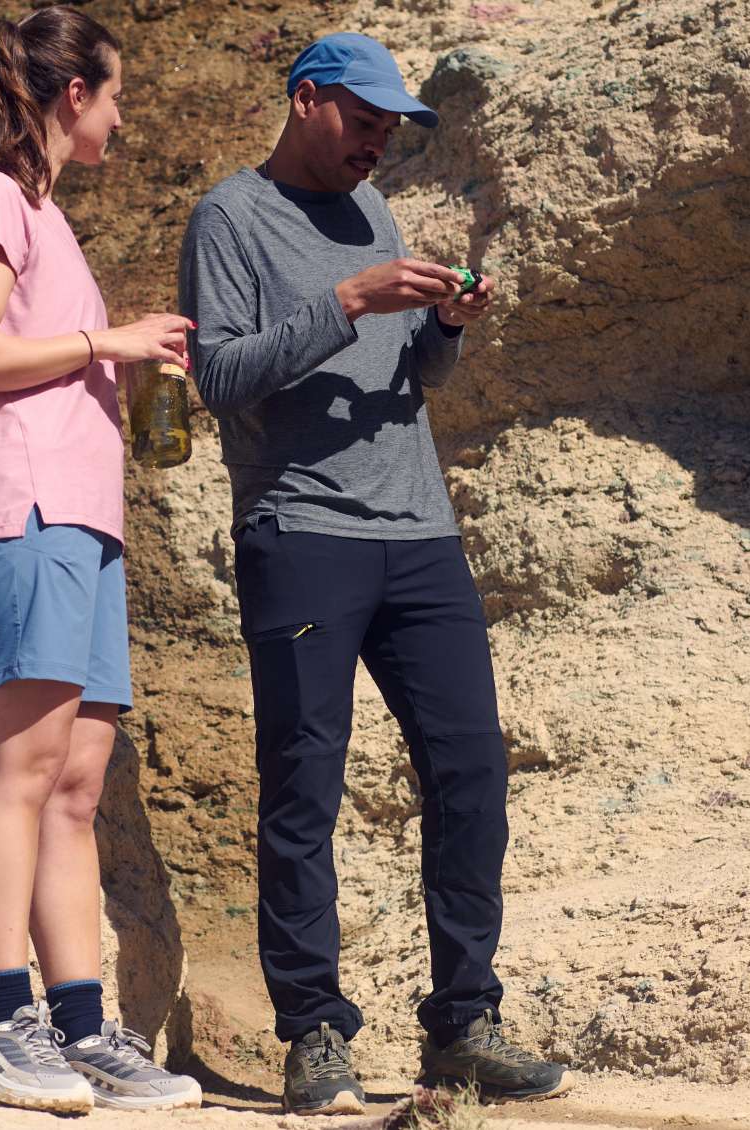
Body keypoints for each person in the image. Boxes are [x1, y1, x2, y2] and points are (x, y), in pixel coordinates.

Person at [177, 32, 570, 1114]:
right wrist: (347, 300)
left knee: (471, 770)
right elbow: (220, 376)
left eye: (389, 129)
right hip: (300, 534)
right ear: (306, 100)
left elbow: (411, 378)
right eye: (363, 121)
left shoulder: (375, 213)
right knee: (304, 784)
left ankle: (463, 1023)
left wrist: (441, 326)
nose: (377, 143)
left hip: (420, 534)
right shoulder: (230, 217)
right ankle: (313, 1031)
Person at [0, 5, 201, 1113]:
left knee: (77, 785)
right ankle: (2, 1022)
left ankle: (83, 1030)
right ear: (72, 94)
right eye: (115, 95)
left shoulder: (49, 218)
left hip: (82, 520)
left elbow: (32, 355)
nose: (121, 118)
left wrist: (121, 369)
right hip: (23, 510)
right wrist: (105, 341)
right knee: (24, 768)